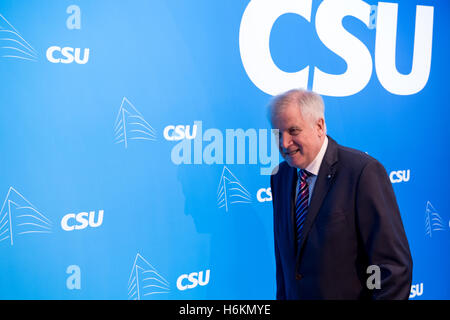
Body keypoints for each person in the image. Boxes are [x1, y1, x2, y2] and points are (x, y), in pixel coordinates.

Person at [269, 88, 412, 300]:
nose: (284, 143)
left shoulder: (362, 172)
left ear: (319, 126)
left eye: (293, 131)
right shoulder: (280, 177)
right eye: (278, 134)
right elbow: (286, 267)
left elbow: (392, 269)